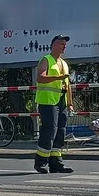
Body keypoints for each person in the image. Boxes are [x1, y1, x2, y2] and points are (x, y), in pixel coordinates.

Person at [33, 35, 74, 173]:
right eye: (61, 43)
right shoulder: (46, 60)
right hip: (47, 101)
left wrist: (70, 103)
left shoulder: (64, 63)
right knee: (49, 130)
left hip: (61, 101)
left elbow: (67, 85)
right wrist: (59, 77)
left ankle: (56, 162)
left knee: (61, 131)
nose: (64, 46)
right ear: (53, 45)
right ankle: (41, 162)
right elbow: (40, 78)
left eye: (65, 44)